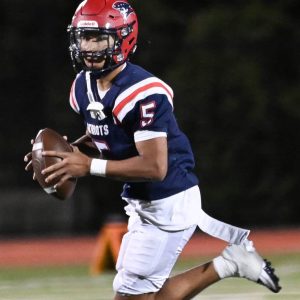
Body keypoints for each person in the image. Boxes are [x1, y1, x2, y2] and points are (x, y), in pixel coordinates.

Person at [24, 0, 281, 299]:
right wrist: (66, 154)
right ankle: (231, 263)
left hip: (167, 201)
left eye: (98, 38)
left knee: (132, 295)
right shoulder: (82, 85)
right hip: (143, 199)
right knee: (144, 296)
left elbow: (154, 167)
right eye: (84, 37)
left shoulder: (143, 93)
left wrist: (87, 165)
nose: (89, 47)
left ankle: (229, 264)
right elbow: (105, 133)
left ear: (123, 39)